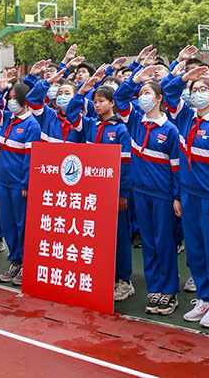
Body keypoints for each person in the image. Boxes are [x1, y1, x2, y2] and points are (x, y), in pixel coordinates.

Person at [162, 64, 209, 328]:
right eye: (195, 90)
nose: (198, 93)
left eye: (204, 90)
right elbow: (168, 92)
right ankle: (203, 297)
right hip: (188, 195)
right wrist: (185, 78)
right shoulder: (185, 119)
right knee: (194, 250)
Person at [113, 63, 181, 316]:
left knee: (165, 244)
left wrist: (177, 197)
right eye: (140, 94)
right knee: (149, 244)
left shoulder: (170, 129)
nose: (142, 98)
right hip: (139, 193)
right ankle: (154, 288)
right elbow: (119, 97)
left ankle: (169, 292)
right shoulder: (134, 122)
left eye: (147, 94)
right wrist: (135, 78)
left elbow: (176, 167)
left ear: (160, 99)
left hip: (163, 196)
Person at [64, 67, 135, 302]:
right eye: (94, 101)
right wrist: (81, 92)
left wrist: (123, 193)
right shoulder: (90, 125)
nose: (97, 105)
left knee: (119, 235)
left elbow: (125, 163)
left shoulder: (120, 129)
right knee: (97, 235)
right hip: (92, 192)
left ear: (112, 103)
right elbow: (71, 112)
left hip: (114, 192)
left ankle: (124, 279)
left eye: (101, 100)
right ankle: (102, 273)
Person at [0, 70, 42, 287]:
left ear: (24, 100)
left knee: (23, 225)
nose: (11, 103)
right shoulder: (7, 119)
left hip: (19, 185)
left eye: (14, 99)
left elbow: (31, 158)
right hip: (4, 182)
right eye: (9, 99)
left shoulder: (31, 125)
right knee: (8, 224)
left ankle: (27, 262)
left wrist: (26, 183)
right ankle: (15, 261)